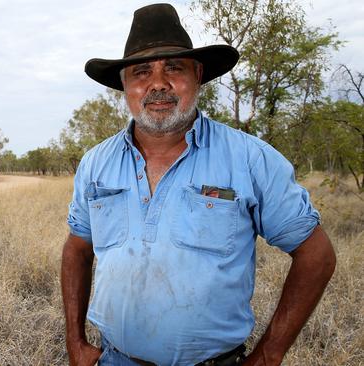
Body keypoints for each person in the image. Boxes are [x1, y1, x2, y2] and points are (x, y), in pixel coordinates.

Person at [61, 3, 336, 366]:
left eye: (173, 68)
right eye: (142, 72)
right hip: (115, 359)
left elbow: (316, 255)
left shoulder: (250, 158)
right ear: (125, 85)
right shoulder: (97, 162)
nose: (158, 83)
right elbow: (78, 248)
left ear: (198, 74)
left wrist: (269, 355)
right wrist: (75, 343)